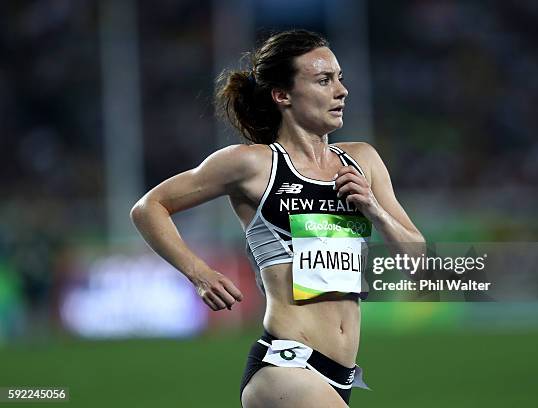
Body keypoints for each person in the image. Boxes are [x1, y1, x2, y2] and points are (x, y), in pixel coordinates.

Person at [130, 29, 424, 408]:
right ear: (282, 95)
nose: (341, 90)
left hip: (340, 374)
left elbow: (419, 263)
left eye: (339, 78)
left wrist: (375, 210)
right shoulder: (252, 164)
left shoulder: (363, 161)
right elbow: (148, 207)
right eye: (323, 80)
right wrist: (199, 273)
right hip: (284, 368)